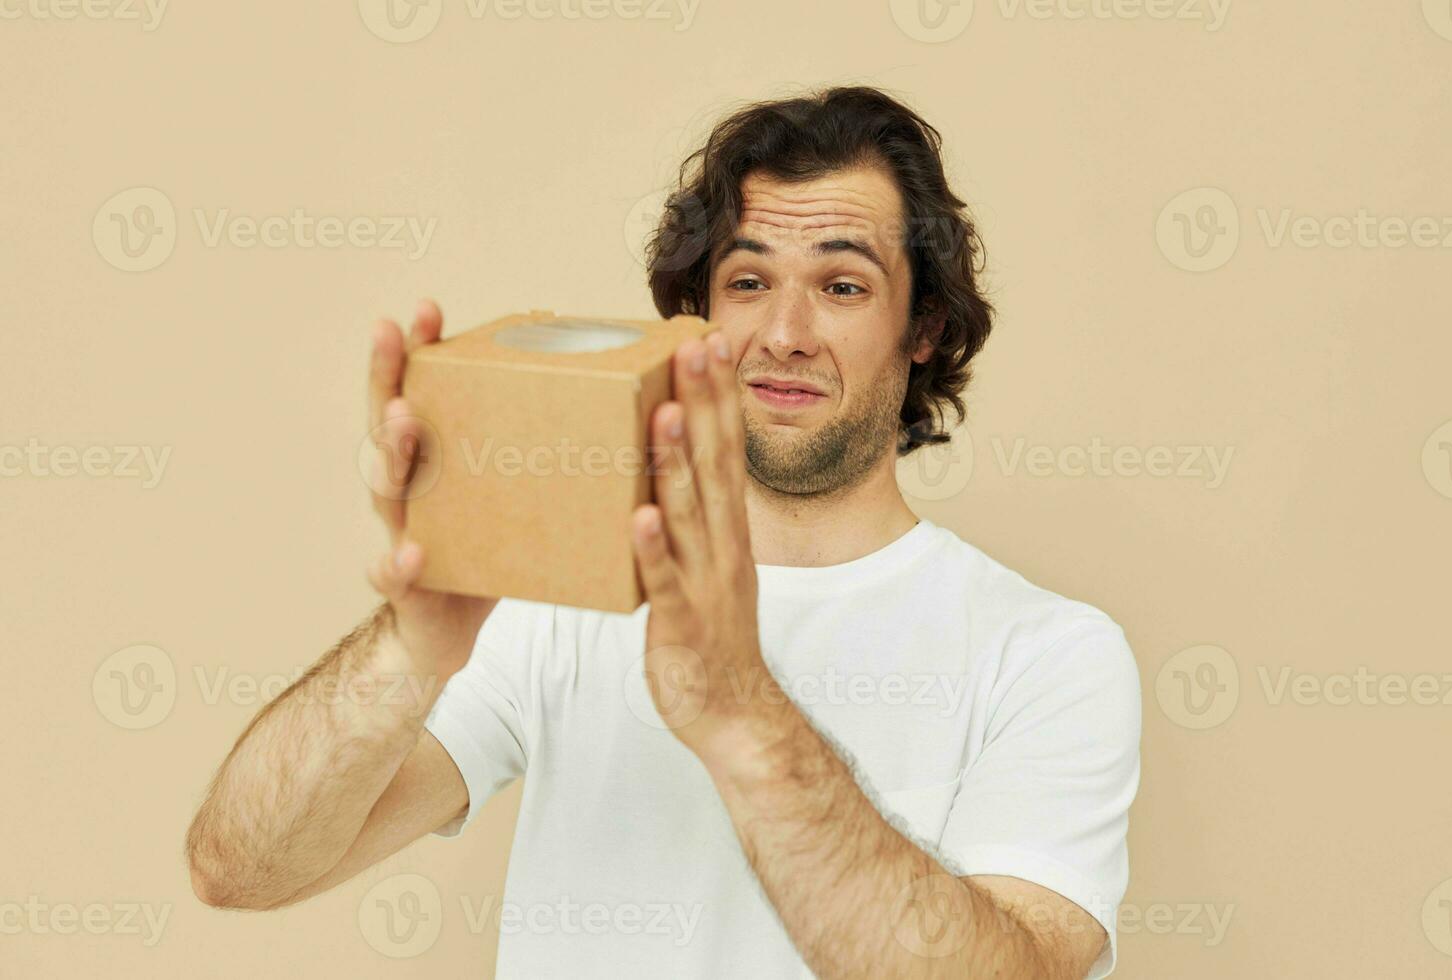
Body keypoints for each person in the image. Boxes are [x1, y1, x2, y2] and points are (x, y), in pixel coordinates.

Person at [185, 86, 1142, 980]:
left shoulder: (1049, 654)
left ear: (923, 327)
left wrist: (736, 707)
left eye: (843, 286)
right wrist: (411, 644)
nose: (785, 333)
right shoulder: (564, 600)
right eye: (749, 281)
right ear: (697, 322)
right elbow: (240, 867)